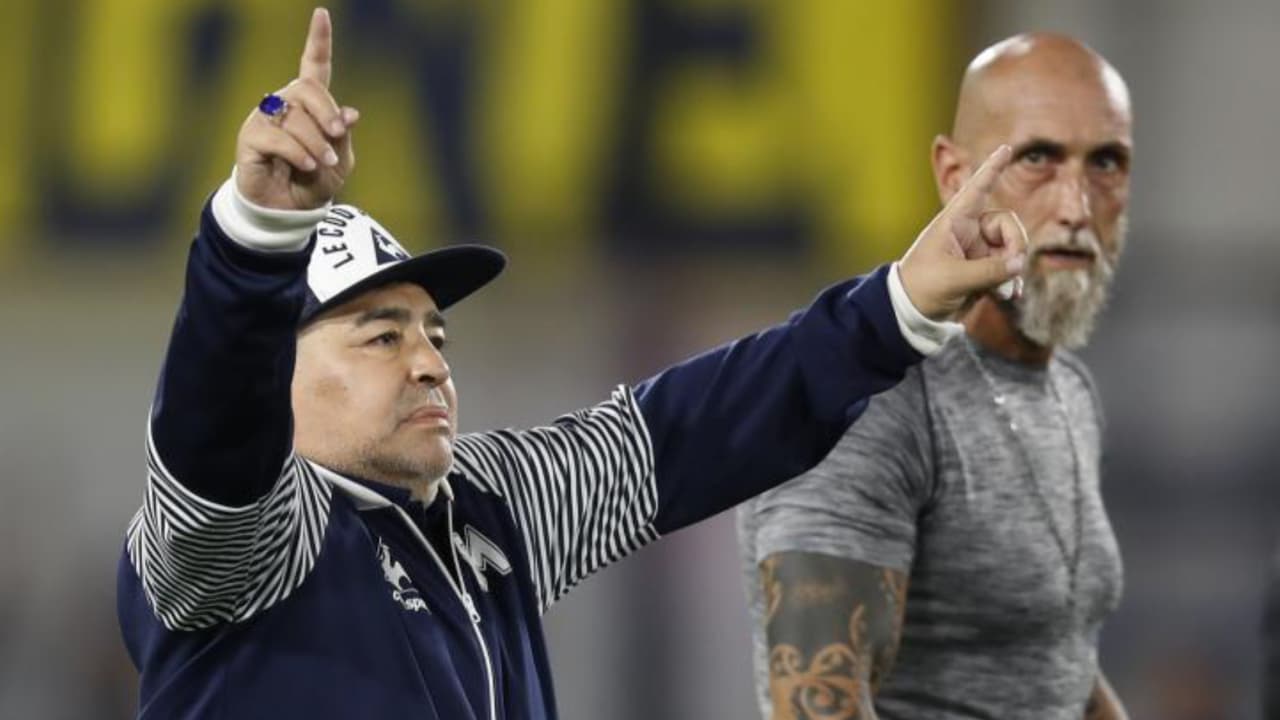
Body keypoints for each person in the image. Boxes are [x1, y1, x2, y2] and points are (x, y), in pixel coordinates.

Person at [115, 9, 1025, 719]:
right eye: (382, 337)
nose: (429, 363)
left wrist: (898, 306)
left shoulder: (485, 508)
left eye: (435, 335)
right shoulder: (249, 545)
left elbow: (690, 429)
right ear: (276, 375)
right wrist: (256, 238)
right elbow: (215, 424)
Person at [738, 33, 1133, 720]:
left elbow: (1052, 661)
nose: (1075, 207)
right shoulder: (866, 398)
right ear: (954, 175)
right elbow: (817, 701)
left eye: (1105, 162)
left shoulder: (1067, 390)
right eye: (1037, 158)